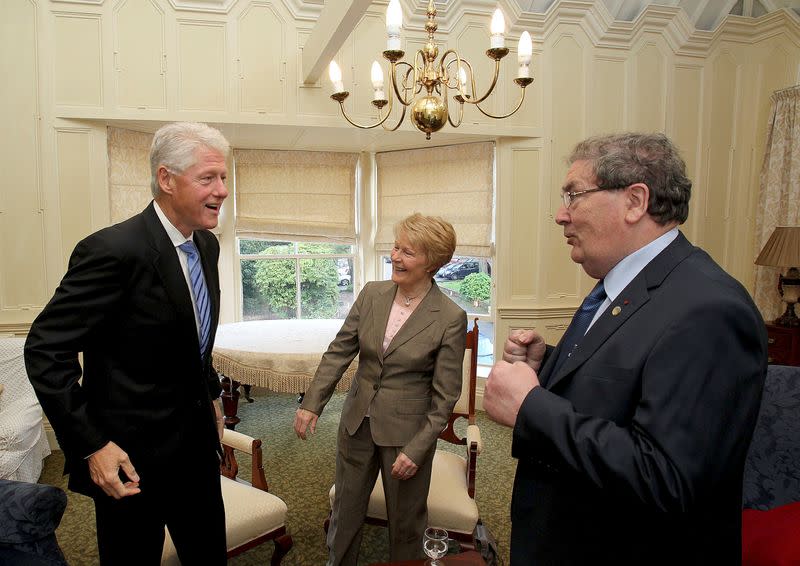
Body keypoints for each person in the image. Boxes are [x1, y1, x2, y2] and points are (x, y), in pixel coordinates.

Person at [484, 132, 768, 566]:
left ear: (635, 201)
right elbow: (630, 374)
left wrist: (531, 406)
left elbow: (666, 477)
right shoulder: (624, 284)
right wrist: (552, 363)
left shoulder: (709, 308)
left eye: (574, 195)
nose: (561, 215)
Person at [24, 122, 230, 565]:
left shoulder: (207, 246)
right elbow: (45, 350)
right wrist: (93, 444)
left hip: (195, 453)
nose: (222, 190)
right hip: (129, 462)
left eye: (224, 177)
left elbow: (192, 341)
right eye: (208, 178)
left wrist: (211, 396)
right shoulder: (113, 251)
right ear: (166, 179)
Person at [294, 213, 467, 566]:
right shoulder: (373, 293)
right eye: (396, 247)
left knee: (405, 524)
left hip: (406, 437)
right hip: (357, 422)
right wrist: (312, 404)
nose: (396, 257)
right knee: (345, 512)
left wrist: (418, 449)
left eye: (408, 252)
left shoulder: (450, 317)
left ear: (432, 262)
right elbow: (340, 351)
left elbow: (445, 395)